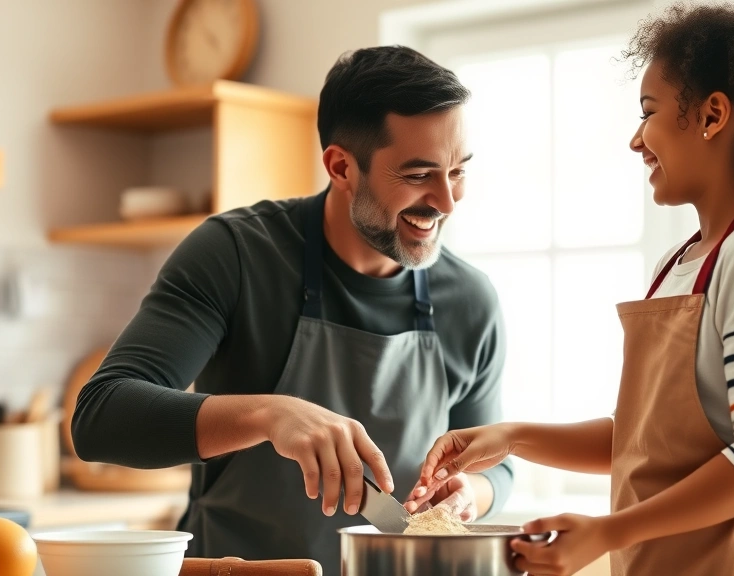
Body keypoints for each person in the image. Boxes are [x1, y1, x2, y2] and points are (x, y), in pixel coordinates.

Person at [406, 0, 734, 573]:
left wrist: (606, 531)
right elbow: (648, 446)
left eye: (649, 111)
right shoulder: (687, 260)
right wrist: (512, 437)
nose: (637, 140)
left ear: (712, 116)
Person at [71, 46, 513, 574]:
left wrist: (472, 494)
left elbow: (497, 469)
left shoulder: (470, 300)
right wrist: (270, 413)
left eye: (457, 170)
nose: (447, 200)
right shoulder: (235, 254)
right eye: (419, 175)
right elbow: (100, 416)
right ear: (341, 165)